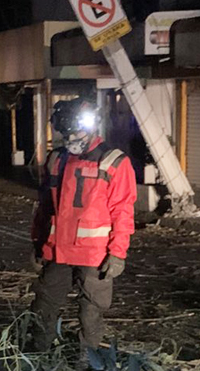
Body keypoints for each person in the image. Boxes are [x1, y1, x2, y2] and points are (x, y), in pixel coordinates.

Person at [30, 99, 137, 352]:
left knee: (91, 312)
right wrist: (37, 244)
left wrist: (118, 253)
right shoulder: (57, 159)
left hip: (94, 255)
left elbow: (123, 211)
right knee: (43, 305)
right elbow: (45, 206)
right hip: (58, 251)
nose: (70, 139)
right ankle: (36, 357)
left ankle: (86, 364)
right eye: (65, 134)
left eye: (75, 133)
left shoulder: (114, 162)